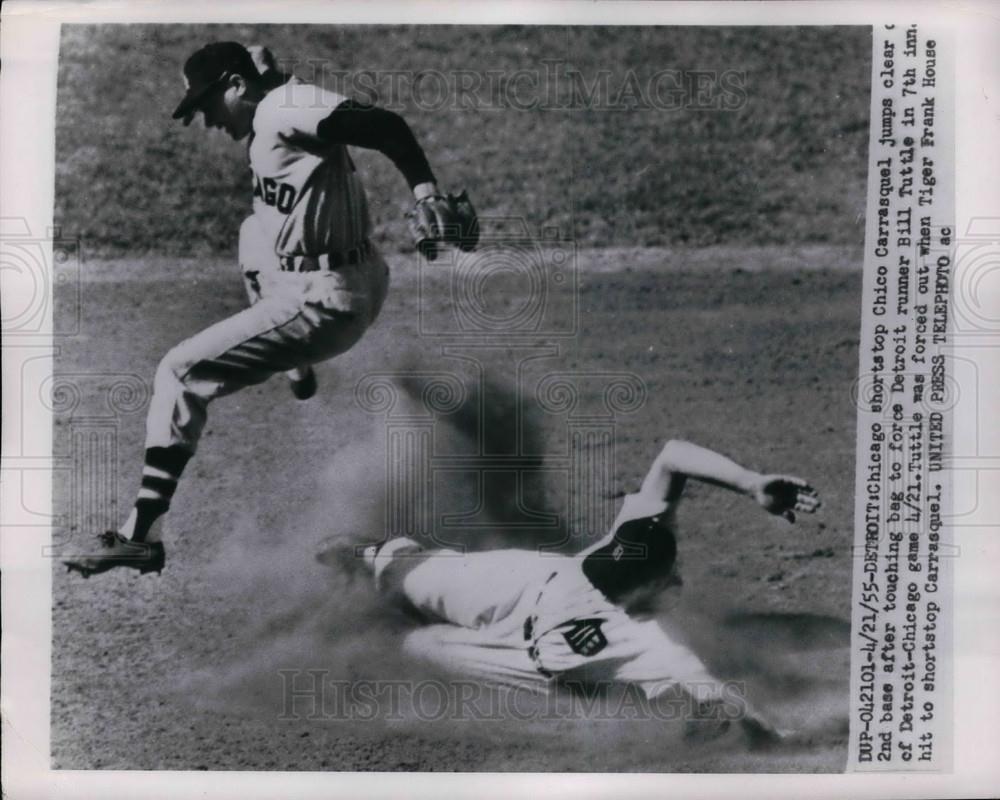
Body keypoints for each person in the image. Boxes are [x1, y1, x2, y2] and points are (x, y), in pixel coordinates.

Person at [64, 42, 476, 578]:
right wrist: (264, 67)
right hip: (349, 275)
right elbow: (268, 76)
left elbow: (387, 125)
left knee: (178, 372)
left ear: (237, 85)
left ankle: (140, 536)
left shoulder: (286, 109)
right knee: (254, 230)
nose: (207, 120)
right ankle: (295, 364)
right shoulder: (272, 101)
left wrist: (425, 195)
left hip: (326, 302)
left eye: (208, 104)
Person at [323, 439, 821, 746]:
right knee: (404, 590)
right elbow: (722, 696)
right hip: (524, 617)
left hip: (524, 621)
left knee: (408, 626)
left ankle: (361, 606)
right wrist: (766, 732)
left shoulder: (635, 559)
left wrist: (751, 482)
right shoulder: (641, 632)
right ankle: (367, 576)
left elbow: (672, 454)